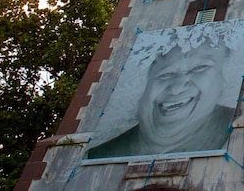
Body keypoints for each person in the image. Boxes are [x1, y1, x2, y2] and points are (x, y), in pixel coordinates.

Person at [86, 43, 235, 158]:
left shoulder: (239, 133)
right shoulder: (102, 153)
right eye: (165, 74)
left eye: (199, 68)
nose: (176, 89)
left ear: (224, 78)